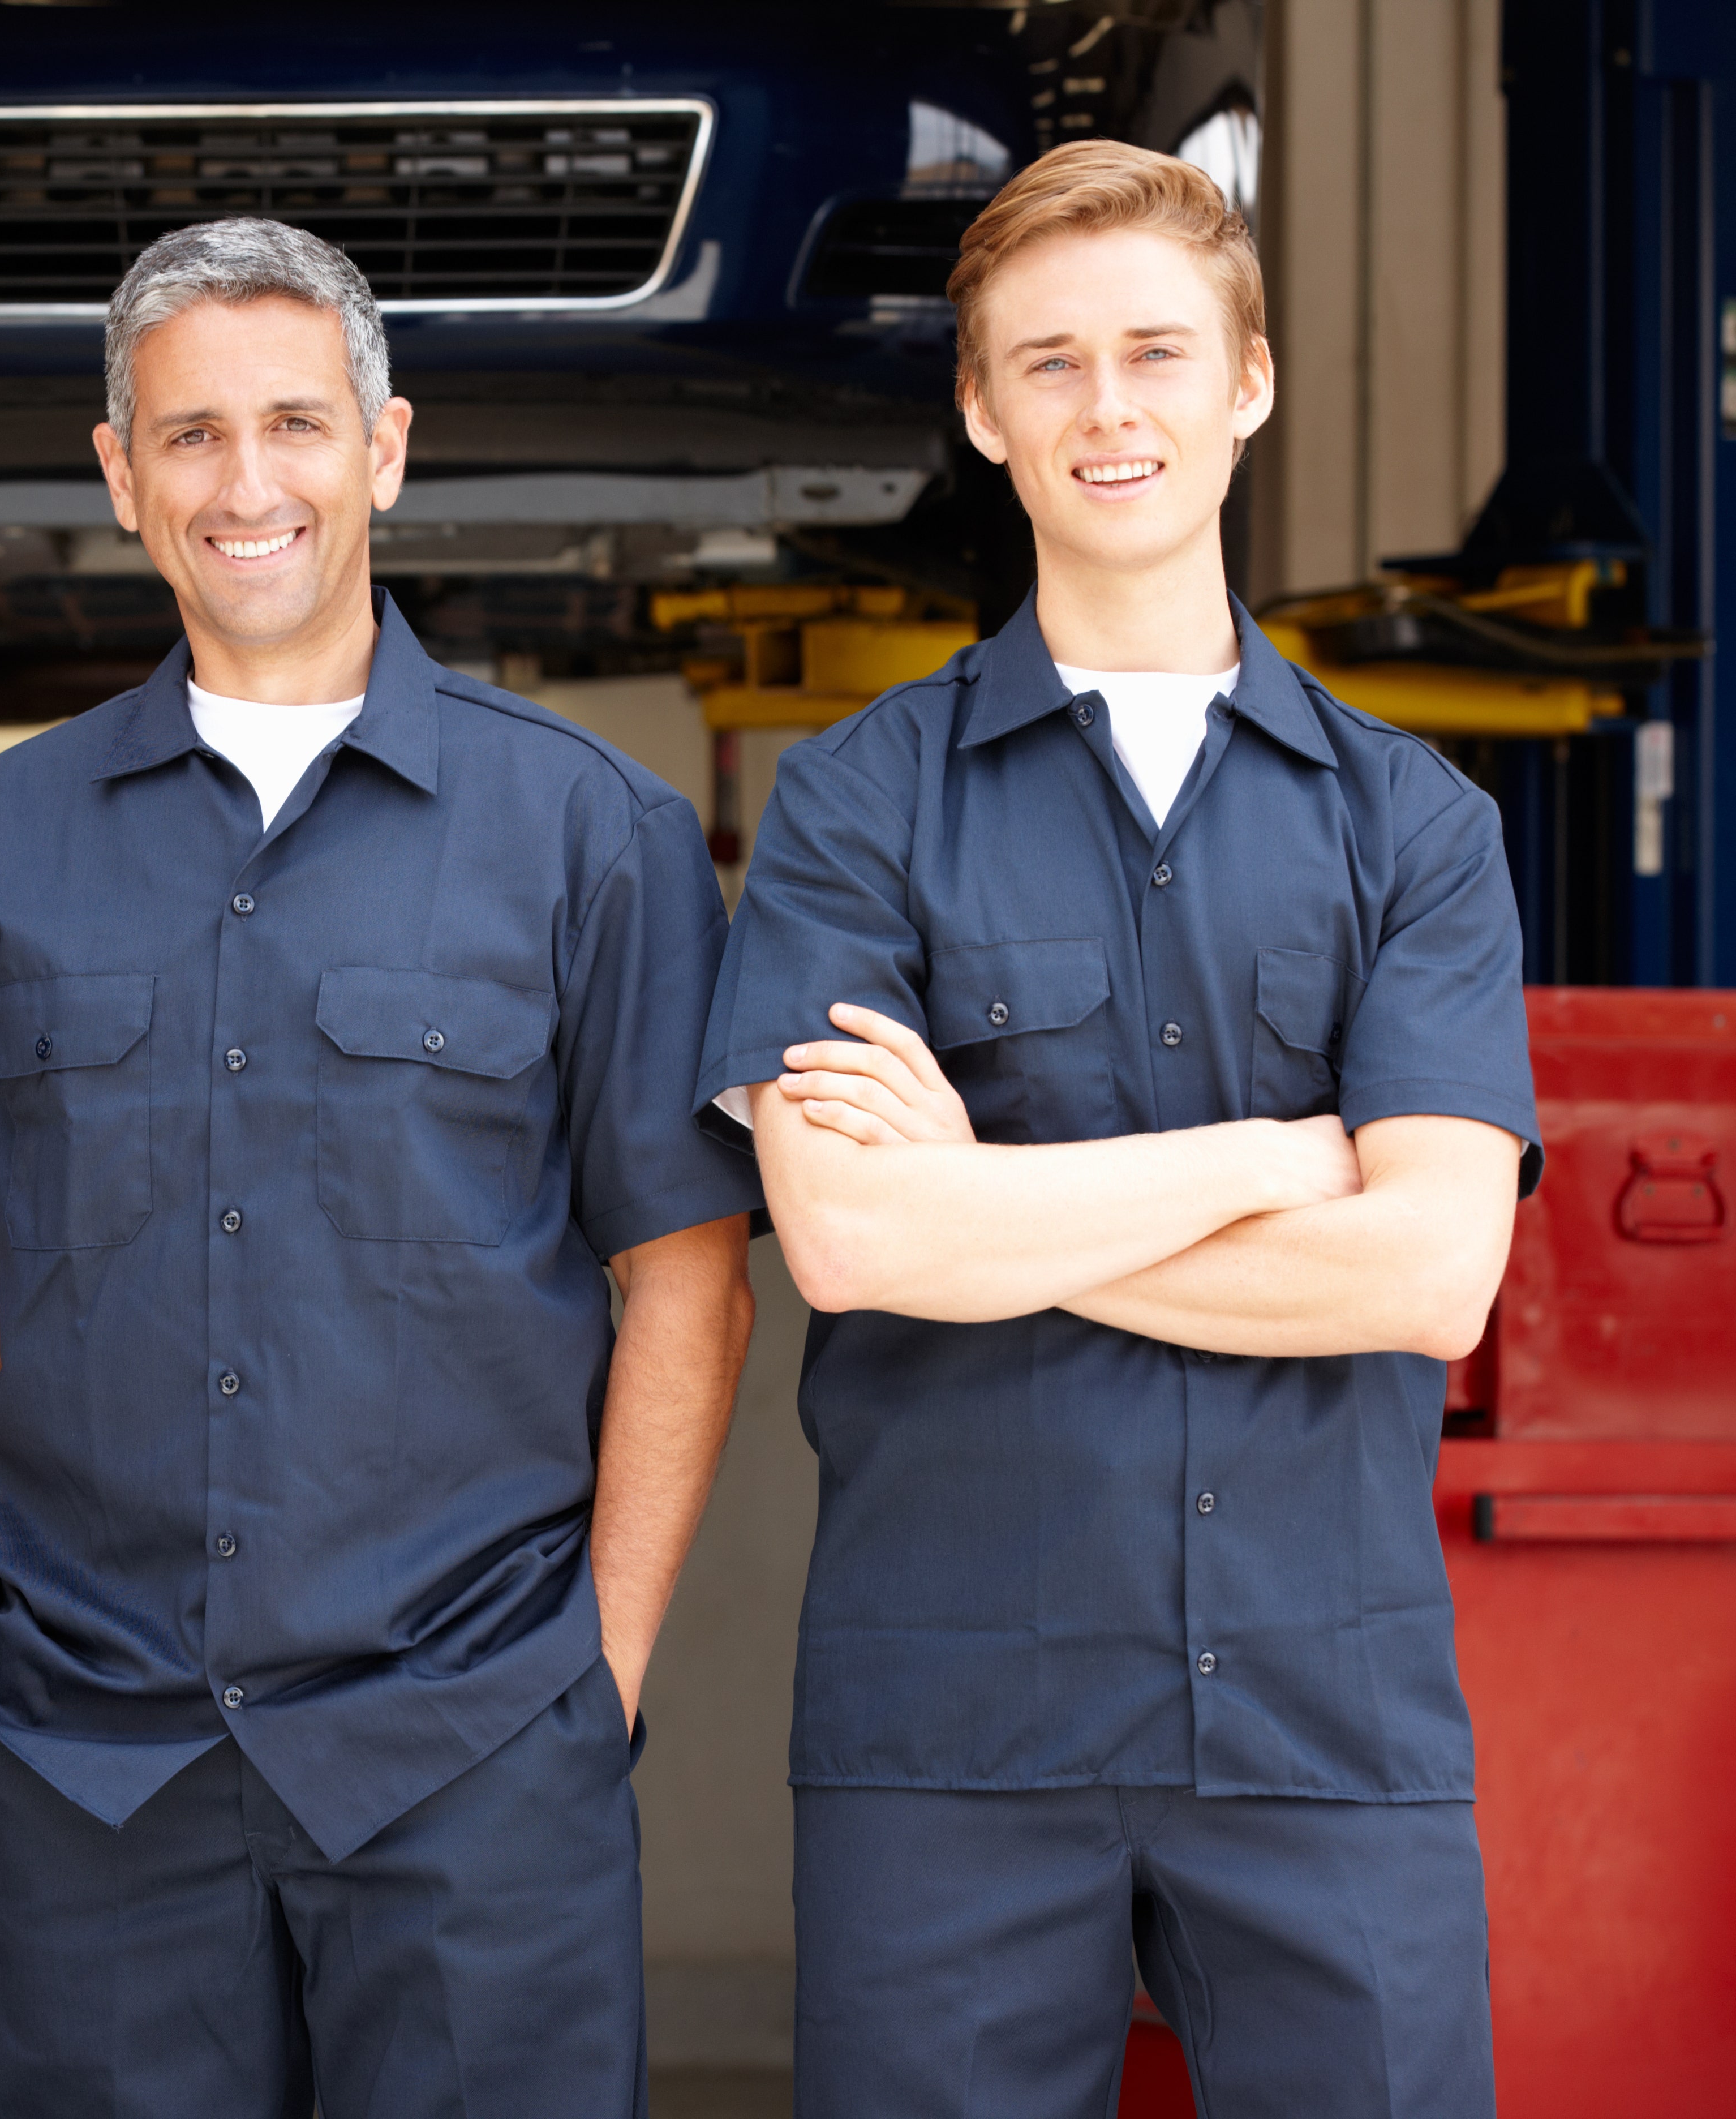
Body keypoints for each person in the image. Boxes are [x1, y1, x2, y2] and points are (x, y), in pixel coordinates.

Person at [0, 216, 763, 2116]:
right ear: (119, 475)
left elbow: (686, 1270)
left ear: (386, 450)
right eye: (187, 436)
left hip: (478, 1751)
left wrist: (605, 1665)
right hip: (98, 1764)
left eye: (296, 426)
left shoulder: (594, 836)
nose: (245, 484)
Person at [695, 140, 1536, 2117]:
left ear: (1245, 382)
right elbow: (860, 1247)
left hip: (1329, 1731)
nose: (1109, 409)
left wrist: (992, 1200)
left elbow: (1428, 1275)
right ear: (983, 412)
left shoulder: (1416, 827)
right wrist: (1276, 1156)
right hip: (955, 1738)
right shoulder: (856, 808)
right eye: (1048, 365)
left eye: (1156, 353)